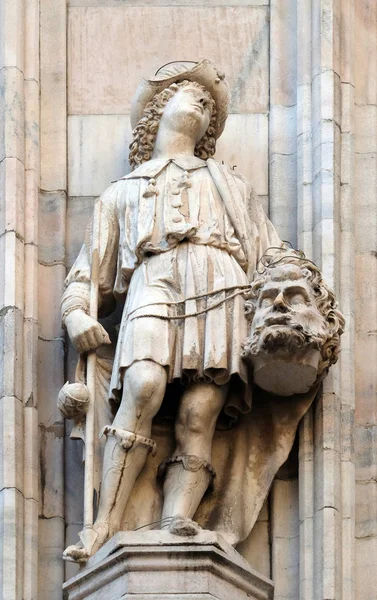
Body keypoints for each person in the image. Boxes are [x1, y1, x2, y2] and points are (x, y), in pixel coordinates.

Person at [61, 60, 290, 563]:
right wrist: (78, 313)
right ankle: (105, 525)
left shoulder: (232, 188)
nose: (202, 104)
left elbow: (272, 256)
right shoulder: (120, 193)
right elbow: (86, 275)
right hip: (154, 280)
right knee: (143, 385)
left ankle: (178, 520)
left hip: (223, 289)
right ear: (158, 108)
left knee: (199, 411)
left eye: (209, 103)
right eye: (191, 94)